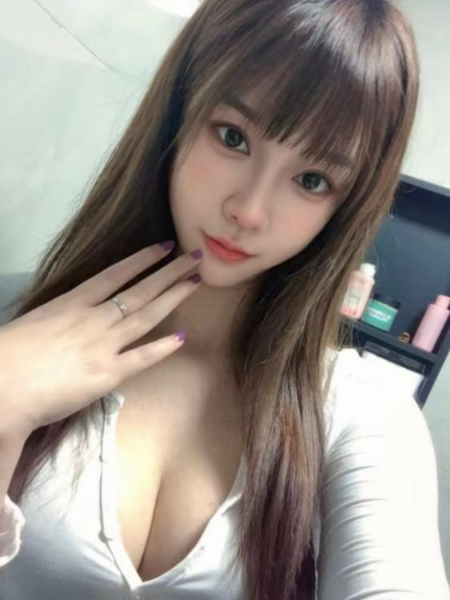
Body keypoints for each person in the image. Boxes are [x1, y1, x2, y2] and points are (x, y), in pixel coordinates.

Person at [0, 0, 449, 598]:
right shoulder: (16, 323)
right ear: (179, 113)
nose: (250, 211)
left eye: (312, 180)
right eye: (233, 137)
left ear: (344, 208)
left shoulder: (358, 412)